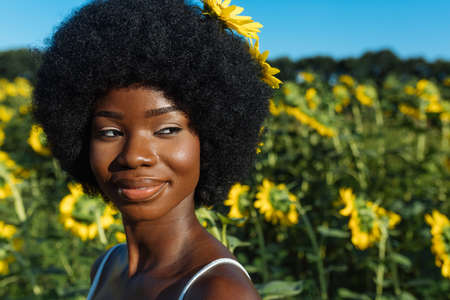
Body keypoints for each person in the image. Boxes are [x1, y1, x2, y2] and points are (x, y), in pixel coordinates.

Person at [32, 0, 280, 299]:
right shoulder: (107, 267)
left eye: (166, 130)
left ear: (212, 138)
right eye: (109, 132)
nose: (134, 155)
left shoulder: (219, 292)